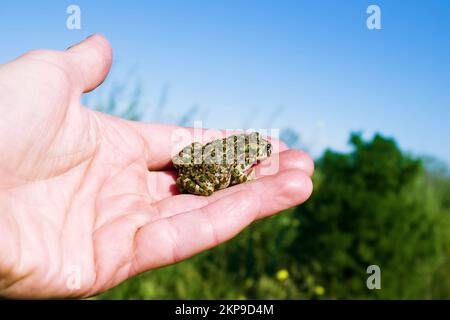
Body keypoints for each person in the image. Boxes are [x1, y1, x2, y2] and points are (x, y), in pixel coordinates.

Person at [0, 34, 314, 298]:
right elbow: (231, 173)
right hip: (208, 167)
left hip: (201, 158)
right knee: (220, 173)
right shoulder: (240, 159)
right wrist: (238, 180)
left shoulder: (235, 149)